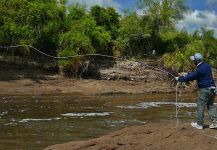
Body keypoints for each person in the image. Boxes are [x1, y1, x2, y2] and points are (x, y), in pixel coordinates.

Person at [175, 53, 217, 130]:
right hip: (213, 88)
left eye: (193, 60)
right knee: (210, 105)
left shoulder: (200, 69)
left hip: (205, 89)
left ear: (196, 61)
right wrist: (186, 73)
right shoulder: (206, 65)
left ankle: (199, 124)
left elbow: (191, 77)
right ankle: (215, 122)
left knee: (200, 105)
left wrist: (179, 78)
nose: (193, 61)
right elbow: (196, 74)